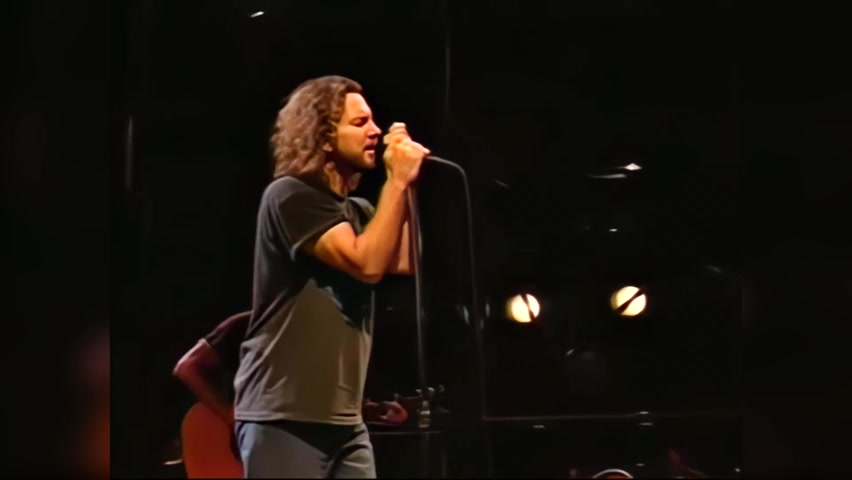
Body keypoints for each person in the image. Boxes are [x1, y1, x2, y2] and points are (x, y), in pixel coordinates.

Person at [232, 75, 429, 478]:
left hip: (346, 422)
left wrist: (406, 184)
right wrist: (395, 180)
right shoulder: (290, 195)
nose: (375, 131)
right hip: (284, 417)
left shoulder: (359, 211)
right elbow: (366, 264)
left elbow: (404, 261)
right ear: (323, 137)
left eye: (373, 120)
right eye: (359, 123)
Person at [173, 311, 408, 431]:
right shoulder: (251, 324)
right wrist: (230, 417)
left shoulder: (326, 336)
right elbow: (187, 367)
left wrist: (370, 410)